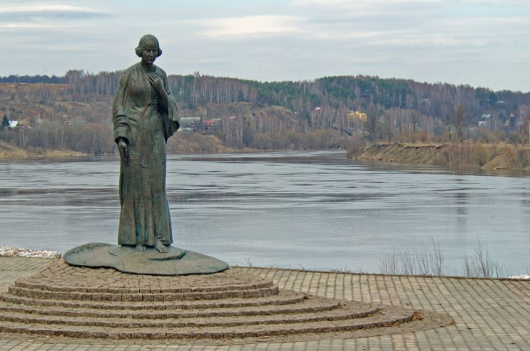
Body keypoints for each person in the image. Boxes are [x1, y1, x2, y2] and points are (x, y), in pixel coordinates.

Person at [112, 34, 180, 253]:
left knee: (156, 186)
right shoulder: (129, 75)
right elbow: (119, 107)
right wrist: (121, 137)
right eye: (147, 50)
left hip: (155, 134)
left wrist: (161, 89)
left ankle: (158, 238)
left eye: (154, 50)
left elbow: (171, 106)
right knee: (135, 186)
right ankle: (135, 239)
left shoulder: (161, 75)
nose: (150, 54)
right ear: (140, 50)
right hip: (134, 134)